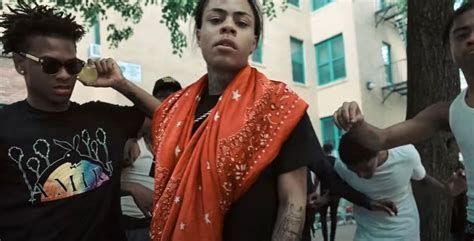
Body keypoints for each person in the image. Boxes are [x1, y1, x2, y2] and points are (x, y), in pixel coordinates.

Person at [148, 1, 396, 241]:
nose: (228, 27)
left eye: (241, 23)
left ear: (253, 43)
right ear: (199, 34)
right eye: (216, 19)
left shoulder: (281, 107)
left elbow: (293, 203)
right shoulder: (172, 114)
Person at [0, 1, 160, 241]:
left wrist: (121, 84)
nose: (64, 75)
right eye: (50, 65)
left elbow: (172, 119)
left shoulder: (103, 118)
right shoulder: (5, 127)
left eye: (72, 65)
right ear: (20, 64)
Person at [334, 2, 474, 240]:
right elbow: (381, 138)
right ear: (449, 48)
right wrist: (356, 123)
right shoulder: (447, 112)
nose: (471, 39)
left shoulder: (406, 157)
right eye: (462, 34)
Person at [335, 133, 466, 241]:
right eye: (354, 171)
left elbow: (422, 178)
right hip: (367, 235)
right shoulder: (341, 166)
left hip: (405, 233)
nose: (361, 175)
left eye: (366, 168)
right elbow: (341, 187)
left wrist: (446, 189)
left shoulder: (405, 154)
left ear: (377, 152)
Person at [120, 77, 182, 241]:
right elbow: (100, 183)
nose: (167, 103)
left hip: (159, 227)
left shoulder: (182, 151)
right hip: (124, 222)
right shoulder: (131, 143)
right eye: (161, 97)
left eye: (174, 98)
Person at [316, 144, 341, 241]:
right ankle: (332, 238)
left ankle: (325, 238)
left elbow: (317, 178)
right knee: (333, 216)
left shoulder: (321, 162)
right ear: (331, 150)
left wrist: (315, 190)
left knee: (323, 217)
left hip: (323, 191)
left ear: (323, 150)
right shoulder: (336, 161)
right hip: (335, 193)